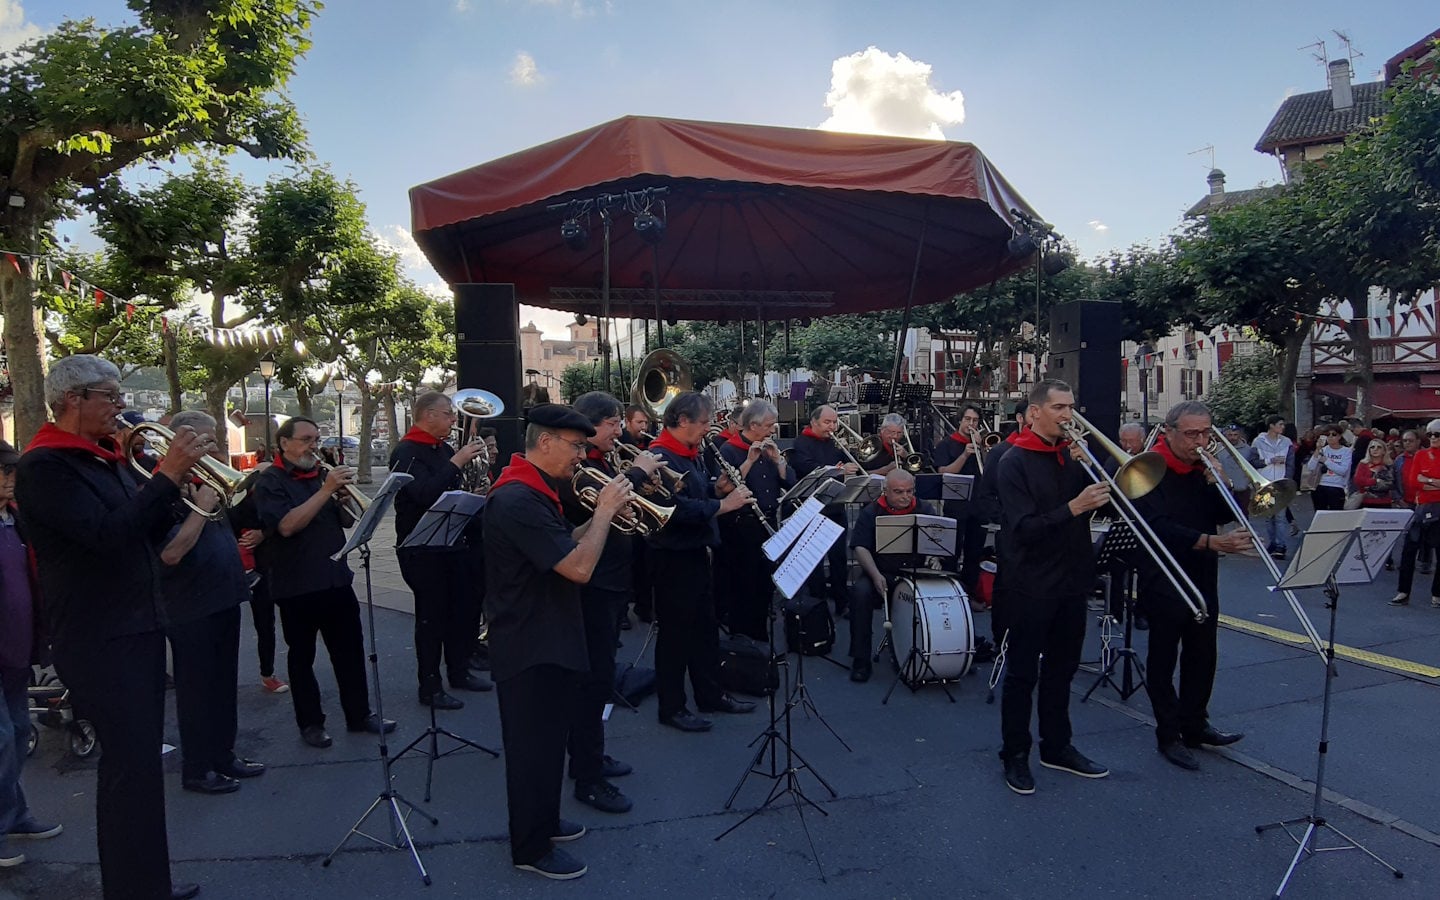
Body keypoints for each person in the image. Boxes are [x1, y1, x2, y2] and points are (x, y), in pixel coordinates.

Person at [16, 355, 202, 900]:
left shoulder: (104, 459)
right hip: (100, 634)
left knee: (142, 765)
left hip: (137, 624)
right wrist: (165, 476)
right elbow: (106, 535)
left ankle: (148, 884)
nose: (121, 406)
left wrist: (179, 486)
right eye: (110, 395)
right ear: (72, 399)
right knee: (128, 767)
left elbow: (144, 529)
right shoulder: (45, 466)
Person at [482, 404, 632, 880]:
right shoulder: (517, 499)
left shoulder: (535, 490)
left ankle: (543, 822)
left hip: (548, 633)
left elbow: (565, 542)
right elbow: (579, 568)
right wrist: (604, 511)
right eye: (575, 446)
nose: (581, 456)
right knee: (531, 750)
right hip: (529, 642)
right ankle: (530, 847)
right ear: (545, 442)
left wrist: (603, 517)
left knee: (548, 745)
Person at [993, 380, 1111, 795]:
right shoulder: (1013, 461)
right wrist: (1074, 507)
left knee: (1063, 670)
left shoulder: (1070, 455)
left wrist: (1090, 469)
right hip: (1030, 583)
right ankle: (1015, 753)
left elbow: (1105, 502)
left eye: (1071, 407)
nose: (1068, 415)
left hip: (1072, 579)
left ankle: (1057, 746)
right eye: (1059, 407)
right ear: (1035, 412)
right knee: (1023, 673)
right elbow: (1023, 529)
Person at [251, 416, 392, 749]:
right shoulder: (270, 481)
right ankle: (311, 723)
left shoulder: (318, 475)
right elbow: (287, 526)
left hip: (334, 577)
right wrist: (326, 490)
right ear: (284, 443)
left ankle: (359, 714)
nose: (313, 446)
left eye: (316, 439)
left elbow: (345, 522)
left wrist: (343, 500)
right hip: (296, 583)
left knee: (350, 652)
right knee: (302, 658)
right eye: (306, 440)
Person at [1132, 401, 1249, 771]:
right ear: (1169, 432)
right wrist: (1211, 542)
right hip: (1164, 574)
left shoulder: (1202, 468)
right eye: (1191, 434)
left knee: (1203, 652)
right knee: (1164, 657)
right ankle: (1168, 734)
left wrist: (1222, 481)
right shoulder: (1149, 467)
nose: (1200, 441)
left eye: (1206, 432)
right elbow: (1156, 525)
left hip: (1202, 569)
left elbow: (1226, 514)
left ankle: (1195, 723)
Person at [561, 392, 663, 816]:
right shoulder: (579, 469)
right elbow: (592, 512)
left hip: (613, 583)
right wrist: (638, 474)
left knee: (601, 680)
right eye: (613, 423)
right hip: (595, 587)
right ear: (590, 425)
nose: (619, 431)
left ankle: (592, 755)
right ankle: (588, 777)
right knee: (593, 682)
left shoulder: (601, 461)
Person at [158, 411, 266, 795]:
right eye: (205, 442)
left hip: (223, 597)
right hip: (190, 605)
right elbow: (171, 553)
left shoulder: (207, 482)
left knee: (223, 685)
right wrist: (203, 507)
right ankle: (197, 767)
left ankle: (223, 754)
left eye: (213, 441)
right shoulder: (163, 490)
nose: (214, 449)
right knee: (196, 690)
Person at [645, 392, 756, 732]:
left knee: (705, 631)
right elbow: (673, 510)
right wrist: (724, 505)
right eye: (704, 422)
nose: (709, 428)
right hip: (673, 557)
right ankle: (672, 707)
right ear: (682, 421)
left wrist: (716, 491)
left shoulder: (689, 453)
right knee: (675, 636)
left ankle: (710, 694)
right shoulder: (658, 457)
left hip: (696, 552)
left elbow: (696, 496)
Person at [389, 391, 493, 711]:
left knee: (461, 611)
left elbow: (452, 489)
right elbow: (423, 494)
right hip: (421, 548)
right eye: (448, 414)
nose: (453, 419)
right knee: (431, 618)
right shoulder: (406, 451)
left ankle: (459, 671)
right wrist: (457, 461)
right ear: (429, 415)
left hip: (452, 542)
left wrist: (474, 491)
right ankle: (430, 686)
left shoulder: (443, 448)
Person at [0, 439, 63, 870]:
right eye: (5, 472)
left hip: (16, 650)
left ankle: (14, 813)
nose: (12, 479)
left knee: (20, 731)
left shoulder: (14, 519)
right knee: (3, 737)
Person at [715, 399, 795, 640]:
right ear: (753, 425)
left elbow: (789, 483)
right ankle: (743, 641)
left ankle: (760, 637)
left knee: (763, 585)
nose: (773, 430)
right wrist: (749, 461)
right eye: (769, 425)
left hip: (768, 523)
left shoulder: (770, 448)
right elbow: (724, 488)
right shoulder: (729, 449)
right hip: (741, 526)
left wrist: (778, 461)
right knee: (743, 587)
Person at [846, 470, 936, 682]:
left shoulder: (924, 509)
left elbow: (936, 538)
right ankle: (861, 660)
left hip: (916, 572)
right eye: (898, 492)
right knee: (860, 593)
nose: (905, 496)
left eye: (909, 491)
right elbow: (860, 547)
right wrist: (875, 575)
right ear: (885, 491)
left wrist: (935, 557)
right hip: (882, 572)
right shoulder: (871, 512)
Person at [789, 405, 860, 615]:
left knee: (839, 558)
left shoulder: (833, 442)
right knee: (815, 561)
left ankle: (842, 603)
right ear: (814, 422)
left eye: (834, 422)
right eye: (827, 422)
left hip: (836, 506)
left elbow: (851, 465)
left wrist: (849, 454)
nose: (832, 426)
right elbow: (808, 468)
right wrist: (840, 470)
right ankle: (818, 607)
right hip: (813, 507)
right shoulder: (801, 443)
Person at [931, 404, 985, 595]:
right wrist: (965, 454)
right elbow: (944, 472)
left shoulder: (981, 443)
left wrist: (981, 448)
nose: (971, 424)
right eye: (968, 419)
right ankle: (950, 593)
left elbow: (988, 470)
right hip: (956, 506)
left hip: (978, 505)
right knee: (951, 553)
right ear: (960, 420)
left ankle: (970, 594)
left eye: (975, 421)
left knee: (974, 553)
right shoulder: (946, 444)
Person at [1398, 421, 1440, 608]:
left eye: (1437, 434)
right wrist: (1435, 482)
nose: (1433, 438)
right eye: (1430, 434)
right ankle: (1403, 591)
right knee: (1409, 550)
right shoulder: (1421, 455)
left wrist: (1426, 480)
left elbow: (1421, 480)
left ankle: (1437, 594)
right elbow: (1413, 482)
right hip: (1422, 507)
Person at [1251, 416, 1295, 561]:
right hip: (1265, 483)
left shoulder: (1287, 442)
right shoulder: (1258, 441)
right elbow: (1253, 462)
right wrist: (1270, 460)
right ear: (1271, 425)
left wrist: (1287, 480)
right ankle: (1273, 543)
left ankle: (1281, 545)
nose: (1283, 427)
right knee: (1269, 516)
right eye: (1280, 424)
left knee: (1280, 516)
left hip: (1281, 483)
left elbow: (1290, 463)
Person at [1306, 427, 1351, 511]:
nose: (1330, 437)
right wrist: (1317, 449)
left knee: (1335, 514)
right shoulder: (1323, 450)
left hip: (1337, 486)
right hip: (1320, 484)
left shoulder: (1346, 451)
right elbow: (1310, 467)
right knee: (1320, 514)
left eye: (1334, 434)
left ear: (1339, 436)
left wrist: (1326, 461)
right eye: (1327, 435)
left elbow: (1343, 471)